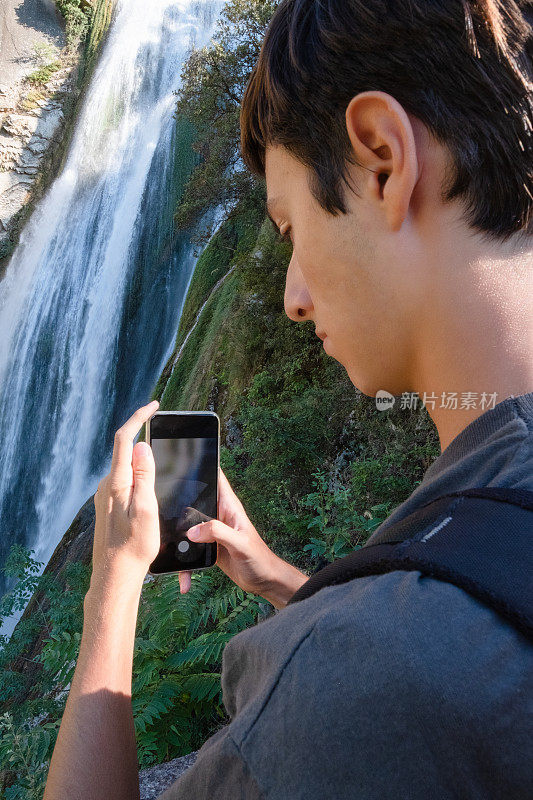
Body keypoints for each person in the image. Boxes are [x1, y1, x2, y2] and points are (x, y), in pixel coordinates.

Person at [43, 1, 532, 798]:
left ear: (380, 160)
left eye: (287, 228)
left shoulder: (354, 690)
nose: (292, 297)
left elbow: (403, 675)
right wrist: (279, 579)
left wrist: (111, 590)